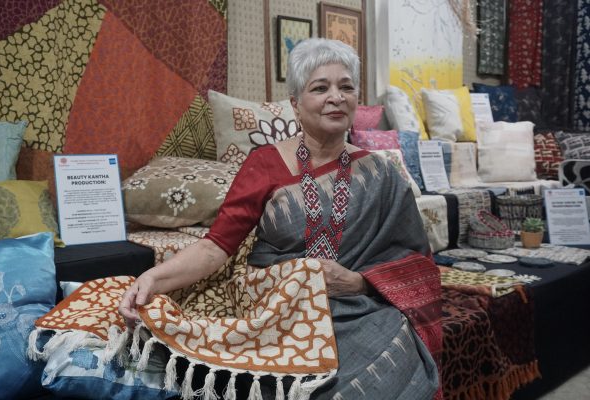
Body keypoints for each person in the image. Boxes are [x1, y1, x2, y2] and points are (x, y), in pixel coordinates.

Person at [120, 38, 440, 399]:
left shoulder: (382, 173)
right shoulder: (265, 163)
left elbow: (416, 264)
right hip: (278, 307)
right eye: (320, 88)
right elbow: (215, 247)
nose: (336, 97)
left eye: (346, 87)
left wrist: (360, 283)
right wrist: (152, 279)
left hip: (359, 307)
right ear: (295, 104)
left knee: (396, 342)